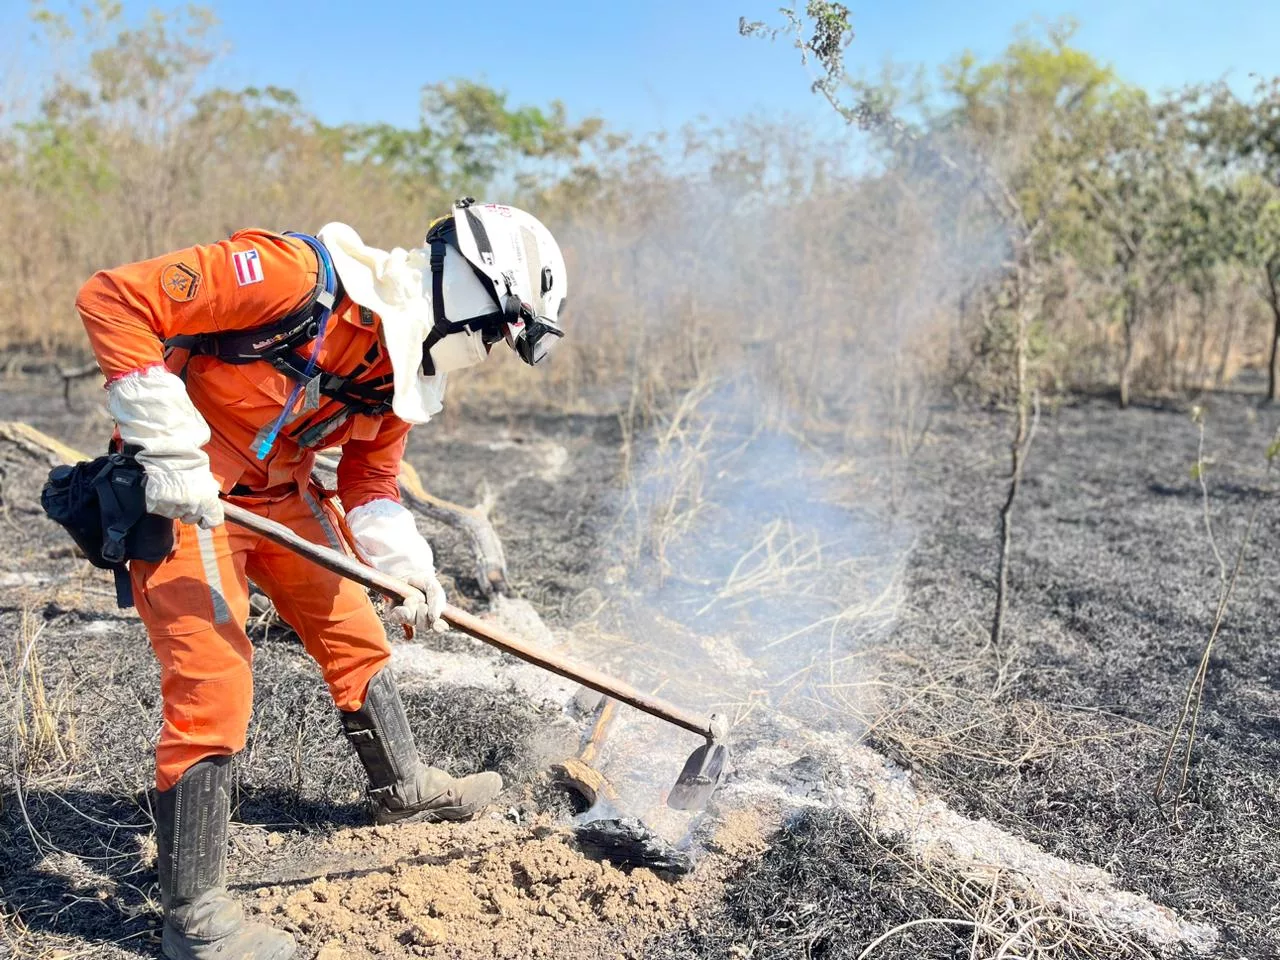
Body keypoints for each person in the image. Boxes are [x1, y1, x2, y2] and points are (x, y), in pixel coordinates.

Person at [74, 199, 567, 960]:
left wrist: (405, 566)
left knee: (356, 634)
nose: (494, 349)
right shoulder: (293, 278)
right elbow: (114, 297)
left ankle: (402, 788)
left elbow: (371, 479)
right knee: (215, 682)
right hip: (187, 497)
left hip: (282, 500)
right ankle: (195, 919)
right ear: (473, 289)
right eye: (501, 331)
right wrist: (167, 448)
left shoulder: (397, 368)